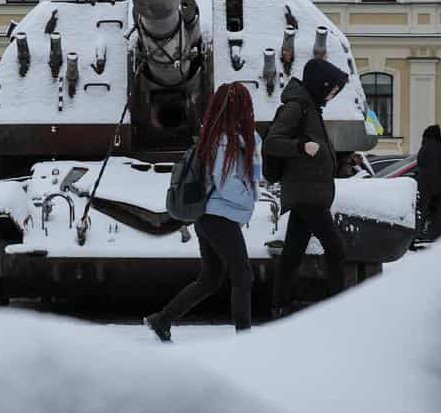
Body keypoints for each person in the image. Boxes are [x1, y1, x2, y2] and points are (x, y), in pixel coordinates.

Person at [144, 82, 262, 341]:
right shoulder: (223, 141)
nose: (249, 111)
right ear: (236, 109)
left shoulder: (228, 137)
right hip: (219, 218)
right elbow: (226, 181)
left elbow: (252, 174)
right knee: (242, 275)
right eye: (245, 106)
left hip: (209, 218)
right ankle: (245, 337)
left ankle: (162, 319)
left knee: (210, 280)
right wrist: (249, 197)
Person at [264, 58, 350, 318]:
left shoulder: (312, 107)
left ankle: (280, 304)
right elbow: (272, 142)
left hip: (309, 192)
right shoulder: (297, 107)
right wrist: (301, 146)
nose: (333, 94)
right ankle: (338, 306)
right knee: (336, 248)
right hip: (306, 194)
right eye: (332, 88)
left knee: (293, 252)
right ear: (320, 83)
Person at [415, 124, 441, 241]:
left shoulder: (426, 147)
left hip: (426, 186)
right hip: (435, 187)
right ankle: (435, 238)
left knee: (424, 214)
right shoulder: (435, 148)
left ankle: (420, 237)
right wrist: (435, 193)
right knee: (437, 215)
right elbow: (435, 170)